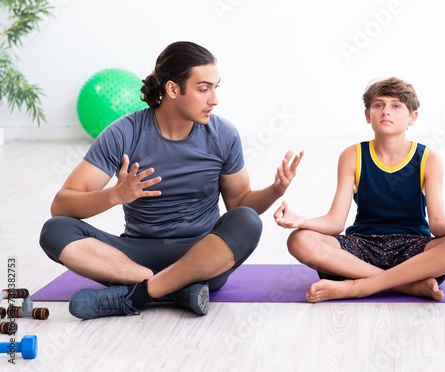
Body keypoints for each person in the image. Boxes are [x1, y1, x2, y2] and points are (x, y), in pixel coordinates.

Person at [40, 41, 303, 319]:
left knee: (247, 220)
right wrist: (115, 195)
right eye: (204, 89)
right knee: (54, 230)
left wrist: (275, 190)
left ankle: (139, 293)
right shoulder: (124, 133)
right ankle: (175, 289)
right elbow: (62, 206)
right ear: (173, 89)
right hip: (133, 255)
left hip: (203, 255)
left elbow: (239, 203)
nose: (214, 99)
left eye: (216, 87)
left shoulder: (223, 134)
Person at [274, 77, 445, 302]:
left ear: (413, 117)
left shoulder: (428, 159)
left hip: (412, 249)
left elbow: (437, 224)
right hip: (362, 247)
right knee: (298, 240)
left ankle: (357, 287)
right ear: (368, 115)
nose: (386, 111)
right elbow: (335, 222)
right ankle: (407, 285)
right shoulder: (352, 156)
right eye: (378, 105)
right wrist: (302, 221)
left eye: (396, 106)